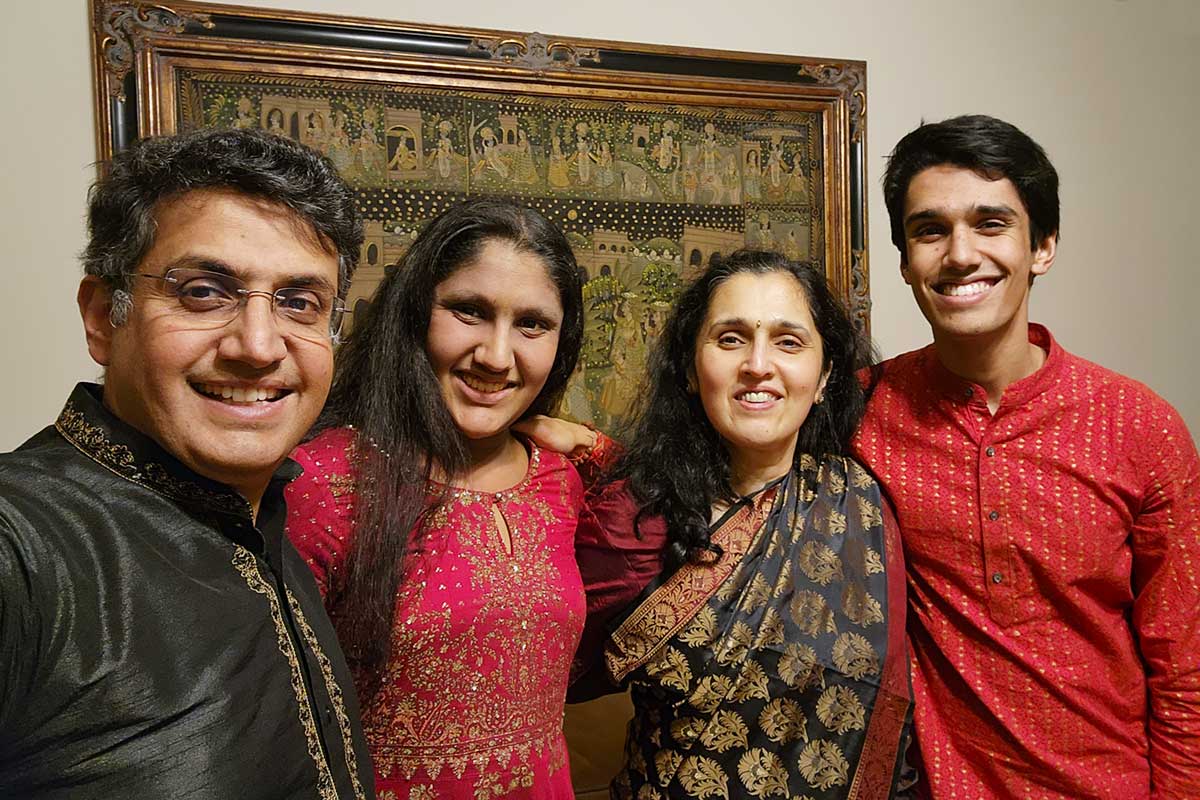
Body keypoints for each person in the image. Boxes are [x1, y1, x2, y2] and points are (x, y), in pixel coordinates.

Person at [0, 128, 374, 799]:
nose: (258, 345)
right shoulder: (19, 546)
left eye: (299, 302)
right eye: (204, 291)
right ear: (101, 318)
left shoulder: (264, 514)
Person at [854, 114, 1200, 798]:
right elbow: (731, 440)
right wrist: (586, 444)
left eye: (991, 224)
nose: (959, 254)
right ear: (903, 262)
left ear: (1042, 246)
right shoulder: (862, 410)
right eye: (930, 230)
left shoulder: (1140, 425)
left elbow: (1186, 661)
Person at [555, 250, 911, 798]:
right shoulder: (632, 522)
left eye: (788, 342)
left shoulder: (858, 500)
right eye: (730, 338)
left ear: (823, 378)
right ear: (692, 371)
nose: (758, 364)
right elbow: (541, 674)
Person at [284, 198, 590, 799]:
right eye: (470, 312)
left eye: (533, 325)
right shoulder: (324, 479)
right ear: (416, 313)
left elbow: (671, 494)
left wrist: (592, 443)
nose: (498, 356)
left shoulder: (558, 479)